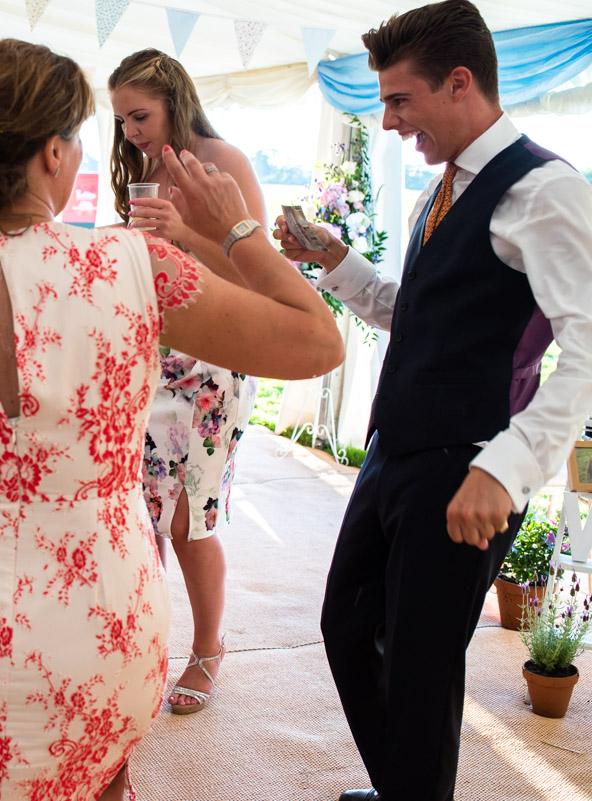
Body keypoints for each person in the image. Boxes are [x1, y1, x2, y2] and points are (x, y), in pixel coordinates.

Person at [0, 38, 343, 801]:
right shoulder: (133, 267)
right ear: (53, 153)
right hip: (101, 611)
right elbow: (318, 341)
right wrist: (235, 229)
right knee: (101, 781)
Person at [274, 3, 592, 800]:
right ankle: (411, 789)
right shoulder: (445, 187)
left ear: (459, 84)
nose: (386, 121)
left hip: (468, 470)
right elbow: (411, 308)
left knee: (420, 664)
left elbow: (585, 347)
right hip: (396, 451)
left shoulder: (545, 190)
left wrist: (509, 468)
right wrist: (337, 259)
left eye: (398, 99)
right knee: (346, 627)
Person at [109, 48, 268, 714]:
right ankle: (144, 650)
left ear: (174, 97)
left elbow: (257, 272)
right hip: (151, 357)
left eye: (139, 115)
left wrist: (184, 237)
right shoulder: (142, 169)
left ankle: (208, 650)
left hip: (212, 365)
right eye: (120, 120)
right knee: (138, 520)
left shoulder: (224, 163)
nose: (129, 132)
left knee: (187, 521)